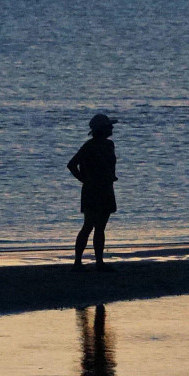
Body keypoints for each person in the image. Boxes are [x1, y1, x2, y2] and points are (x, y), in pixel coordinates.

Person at [67, 113, 118, 269]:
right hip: (93, 190)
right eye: (109, 126)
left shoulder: (110, 145)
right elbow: (71, 165)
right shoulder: (89, 146)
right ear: (102, 129)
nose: (112, 128)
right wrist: (85, 180)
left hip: (106, 188)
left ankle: (99, 261)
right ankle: (78, 261)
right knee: (89, 225)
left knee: (100, 227)